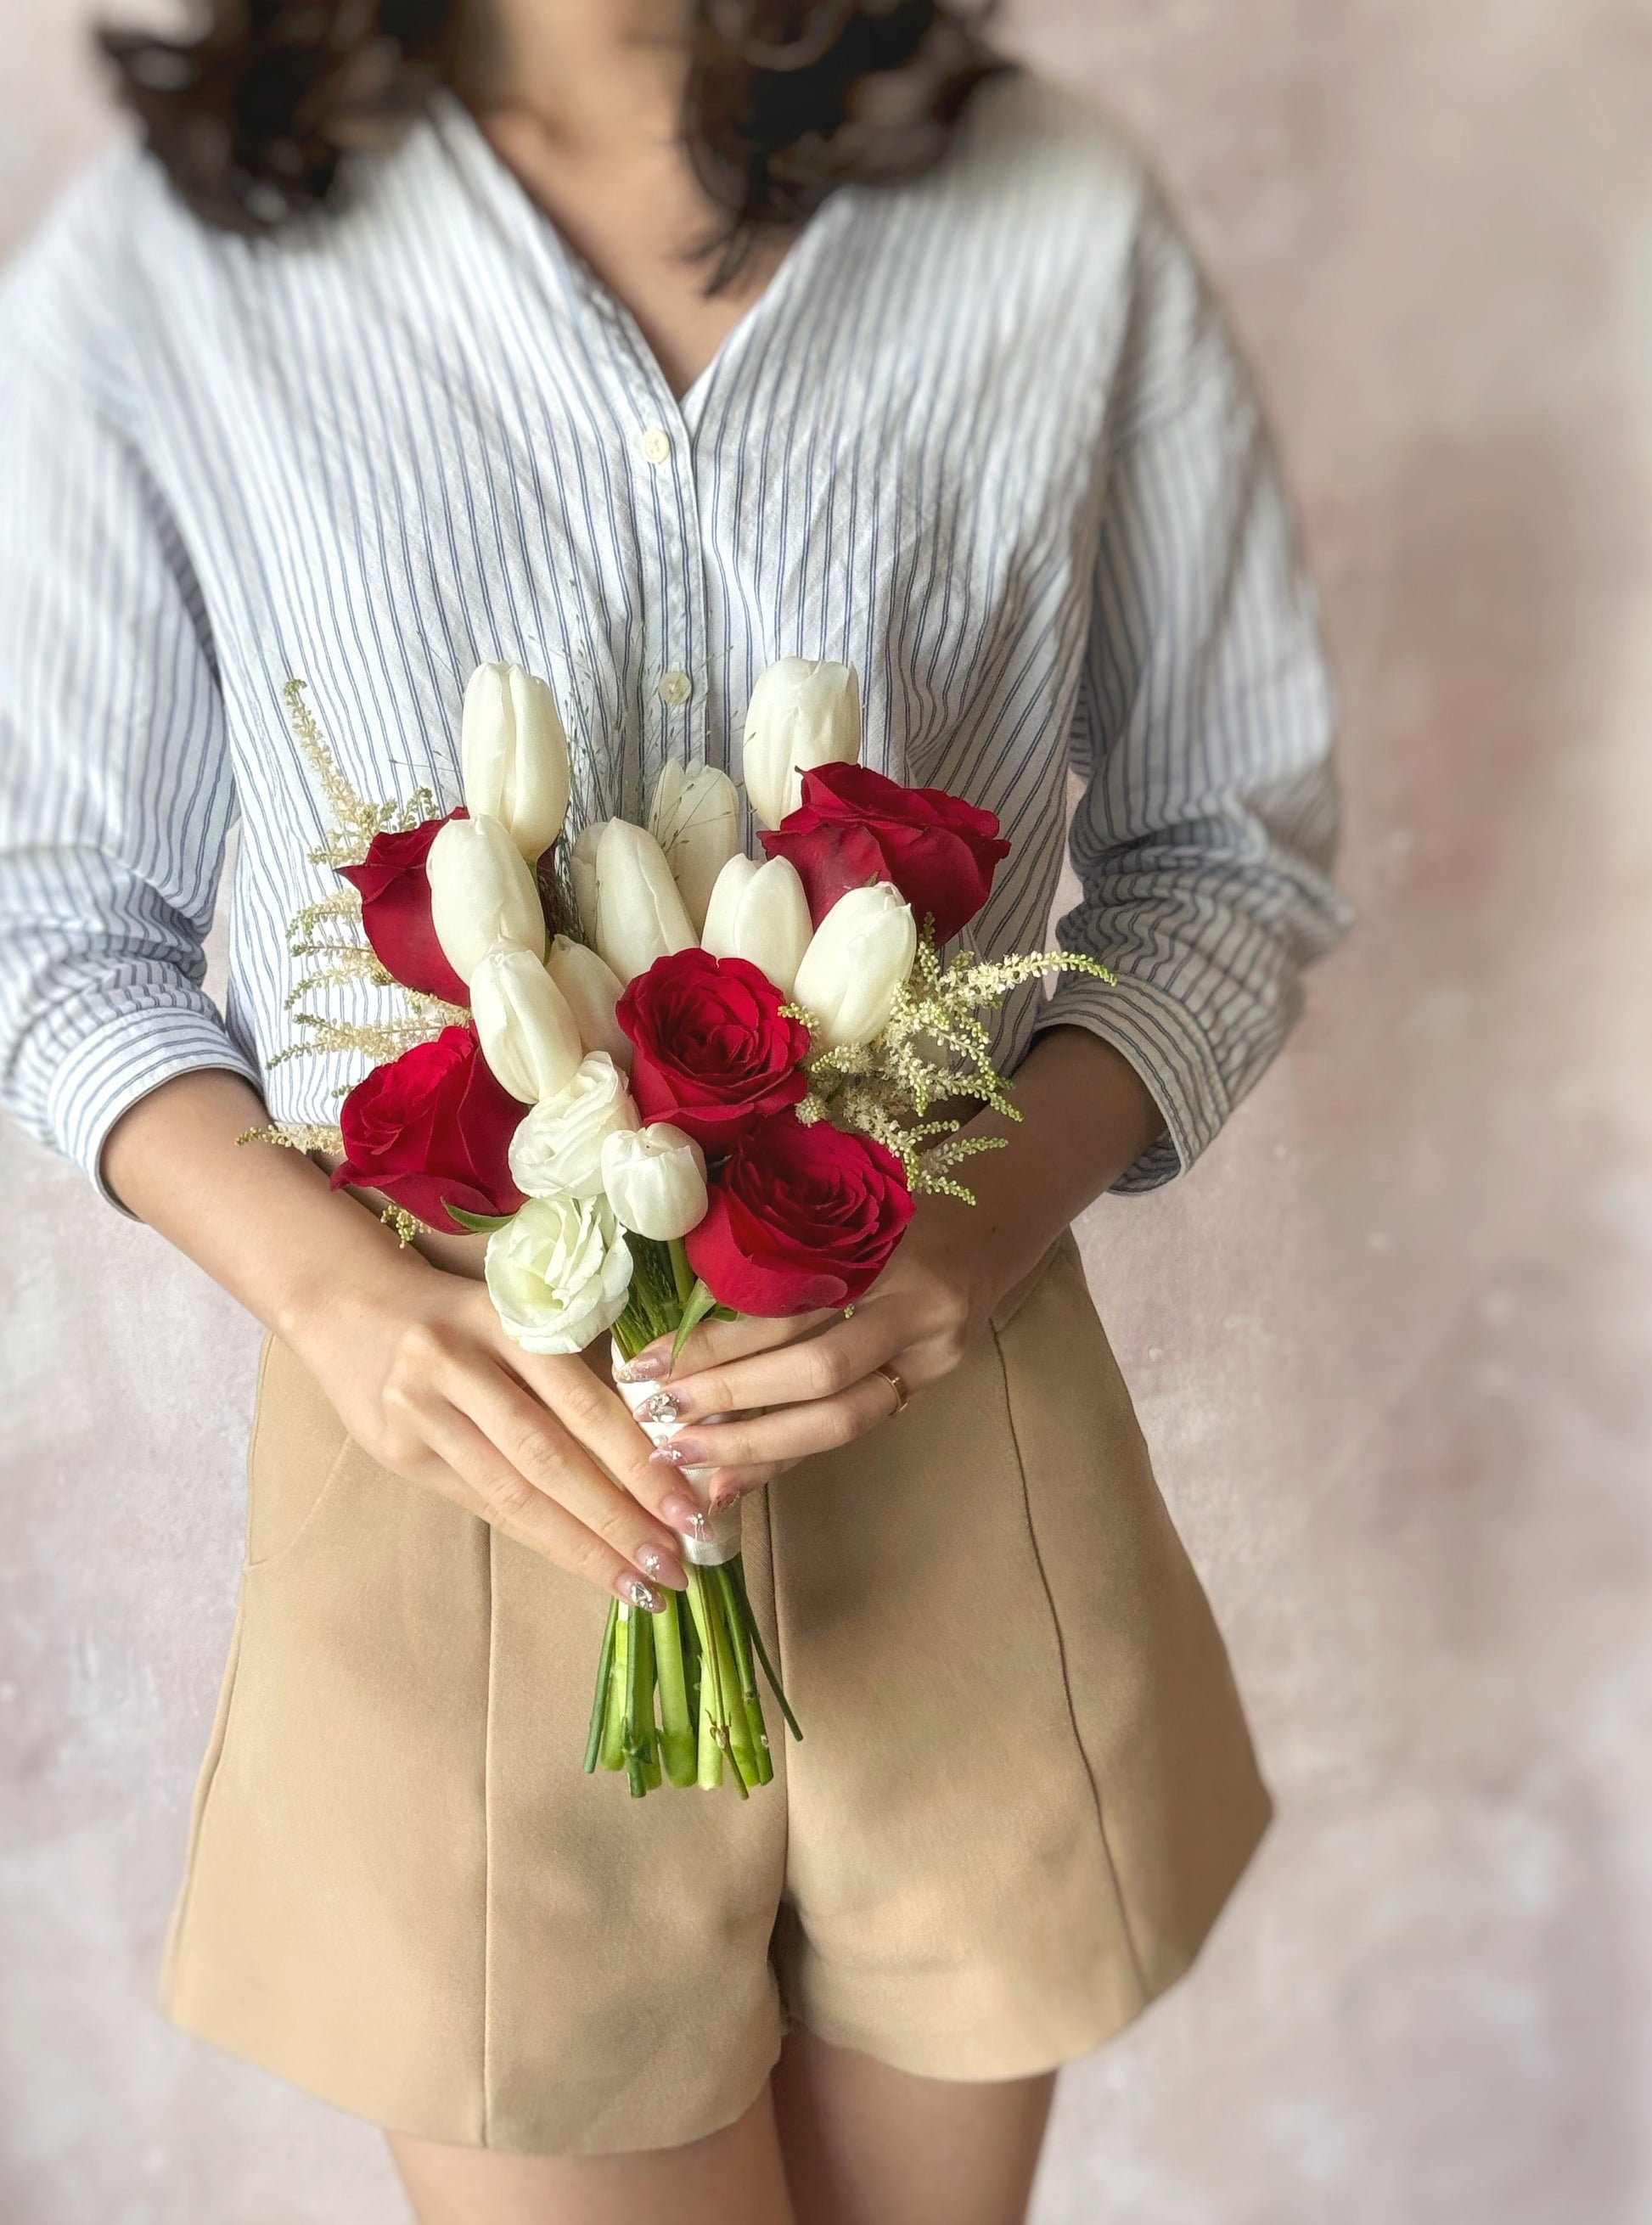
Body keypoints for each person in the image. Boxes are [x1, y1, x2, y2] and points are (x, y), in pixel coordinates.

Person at [0, 3, 1350, 2219]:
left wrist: (967, 1237)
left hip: (939, 1391)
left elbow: (1230, 842)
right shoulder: (185, 258)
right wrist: (337, 1303)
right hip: (456, 1443)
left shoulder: (1041, 208)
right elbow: (54, 901)